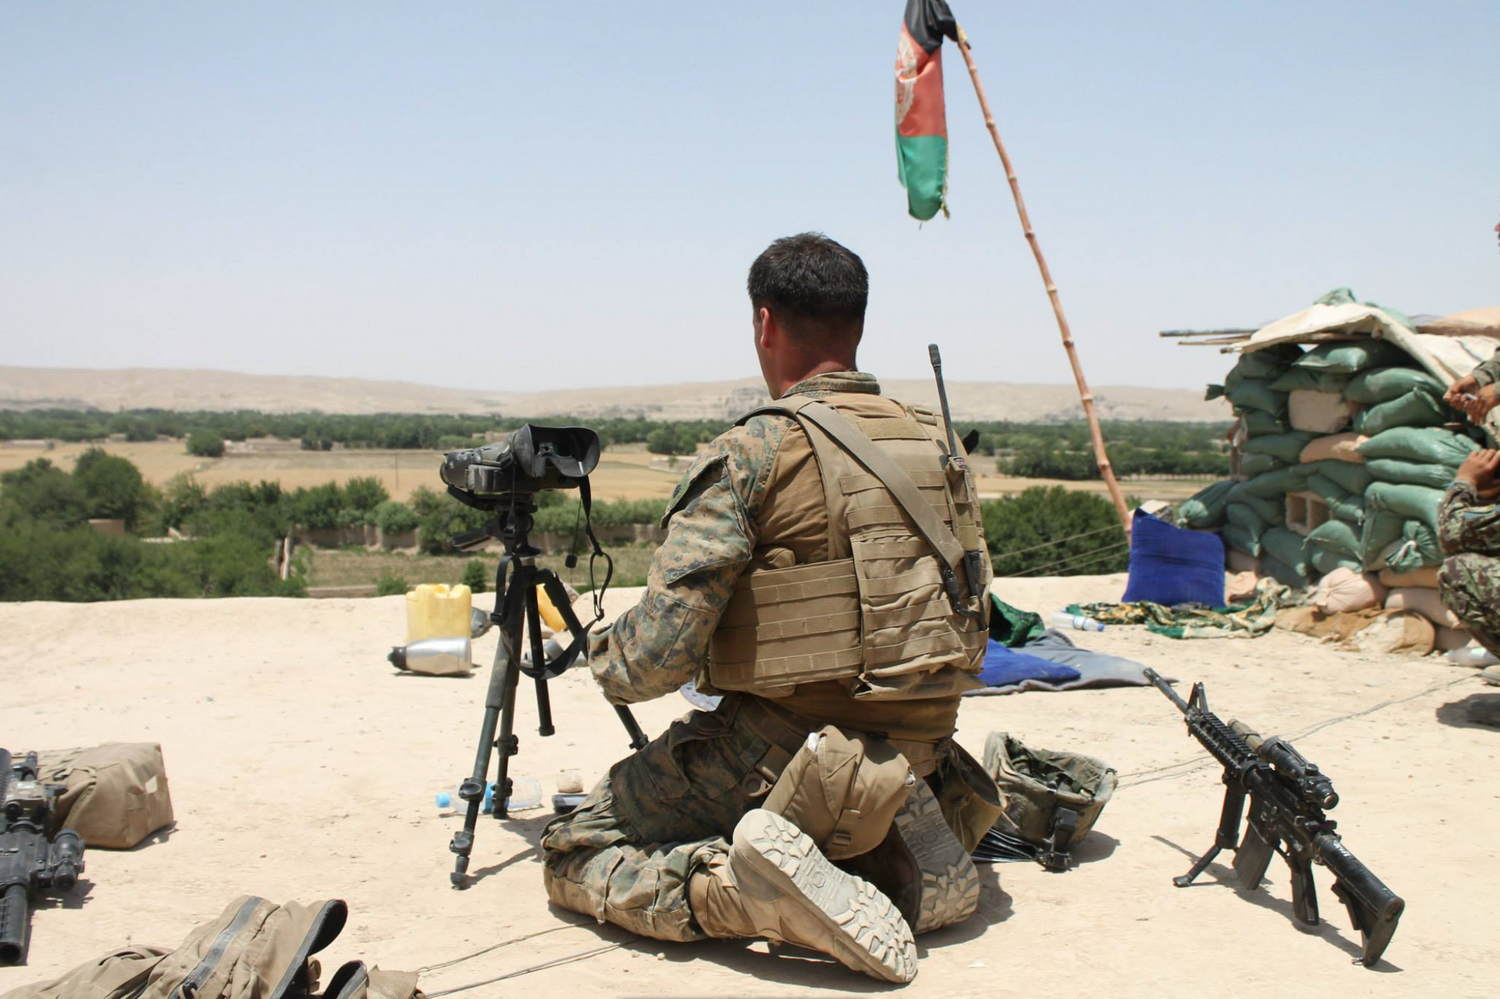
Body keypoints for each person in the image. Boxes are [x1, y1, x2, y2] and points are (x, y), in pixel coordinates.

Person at [540, 233, 1000, 984]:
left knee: (572, 845)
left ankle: (748, 894)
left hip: (785, 751)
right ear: (856, 324)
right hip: (925, 741)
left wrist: (600, 653)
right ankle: (879, 838)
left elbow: (655, 660)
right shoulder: (936, 441)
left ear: (764, 323)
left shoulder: (754, 451)